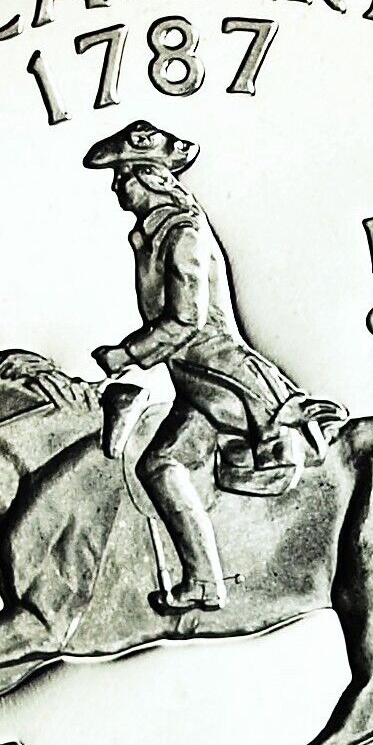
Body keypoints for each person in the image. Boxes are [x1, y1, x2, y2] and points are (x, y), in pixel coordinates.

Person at [86, 120, 318, 615]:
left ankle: (209, 580)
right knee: (157, 466)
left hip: (222, 380)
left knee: (161, 465)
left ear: (150, 177)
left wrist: (126, 355)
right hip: (194, 379)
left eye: (123, 176)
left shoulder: (183, 234)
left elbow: (186, 321)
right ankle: (204, 582)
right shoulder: (153, 234)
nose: (116, 186)